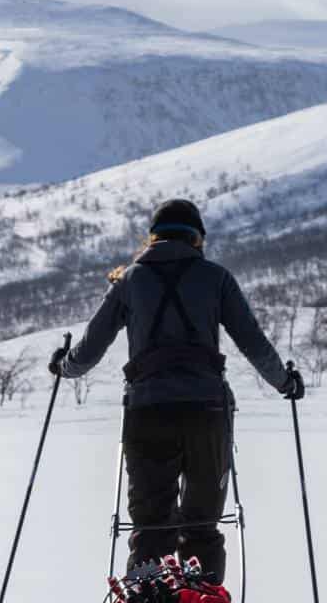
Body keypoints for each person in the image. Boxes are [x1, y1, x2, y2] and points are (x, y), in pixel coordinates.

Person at [52, 198, 303, 582]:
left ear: (152, 238)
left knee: (152, 527)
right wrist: (286, 382)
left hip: (147, 413)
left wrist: (63, 365)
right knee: (202, 525)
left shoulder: (129, 281)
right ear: (197, 238)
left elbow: (88, 352)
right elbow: (253, 343)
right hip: (208, 413)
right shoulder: (216, 278)